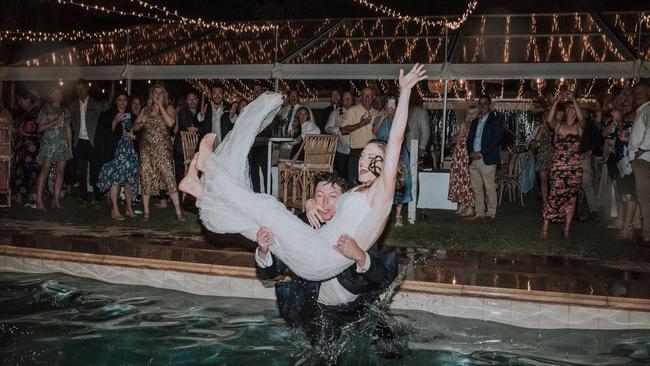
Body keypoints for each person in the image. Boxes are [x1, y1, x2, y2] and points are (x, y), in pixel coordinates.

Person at [179, 64, 427, 281]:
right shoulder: (361, 192)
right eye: (363, 156)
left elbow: (395, 140)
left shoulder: (381, 194)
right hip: (315, 251)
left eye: (372, 158)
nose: (363, 162)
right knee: (258, 225)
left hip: (320, 256)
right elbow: (339, 215)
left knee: (269, 208)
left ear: (387, 167)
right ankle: (199, 191)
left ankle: (208, 165)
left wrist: (405, 91)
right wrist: (311, 202)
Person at [256, 172, 398, 363]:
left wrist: (359, 255)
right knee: (327, 359)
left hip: (362, 305)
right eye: (319, 195)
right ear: (312, 198)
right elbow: (272, 271)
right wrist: (264, 251)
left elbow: (381, 277)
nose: (325, 203)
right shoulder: (302, 225)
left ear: (344, 201)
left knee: (392, 353)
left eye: (333, 197)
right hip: (323, 311)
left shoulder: (357, 226)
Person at [133, 84, 184, 222]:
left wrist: (160, 106)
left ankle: (178, 212)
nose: (158, 95)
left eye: (161, 93)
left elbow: (171, 123)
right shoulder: (145, 109)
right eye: (156, 92)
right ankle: (146, 212)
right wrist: (141, 122)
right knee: (146, 177)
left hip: (163, 150)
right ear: (152, 94)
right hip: (146, 150)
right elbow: (135, 127)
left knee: (169, 177)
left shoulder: (169, 108)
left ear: (164, 95)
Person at [542, 91, 585, 240]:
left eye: (572, 108)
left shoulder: (580, 127)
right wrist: (555, 101)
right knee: (554, 196)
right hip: (558, 168)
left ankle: (566, 230)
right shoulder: (558, 126)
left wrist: (574, 99)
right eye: (567, 108)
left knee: (571, 198)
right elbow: (549, 120)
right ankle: (545, 229)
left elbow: (581, 118)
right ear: (565, 112)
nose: (570, 110)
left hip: (574, 170)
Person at [97, 92, 139, 221]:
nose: (122, 103)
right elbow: (102, 136)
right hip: (114, 152)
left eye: (125, 100)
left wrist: (134, 136)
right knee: (115, 179)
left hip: (129, 152)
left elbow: (140, 136)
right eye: (119, 100)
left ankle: (128, 207)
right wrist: (115, 121)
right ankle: (115, 209)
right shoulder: (107, 115)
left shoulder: (132, 116)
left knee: (128, 181)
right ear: (115, 101)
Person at [372, 94, 412, 226]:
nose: (391, 105)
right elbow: (374, 131)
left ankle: (399, 215)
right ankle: (385, 214)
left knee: (400, 182)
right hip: (384, 152)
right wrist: (383, 117)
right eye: (389, 102)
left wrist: (395, 115)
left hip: (399, 153)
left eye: (393, 103)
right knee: (384, 183)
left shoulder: (400, 117)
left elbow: (405, 130)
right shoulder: (378, 116)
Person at [466, 94, 503, 223]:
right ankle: (479, 213)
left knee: (489, 187)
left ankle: (491, 214)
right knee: (476, 188)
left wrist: (481, 153)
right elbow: (470, 139)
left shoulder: (495, 120)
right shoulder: (475, 121)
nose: (482, 106)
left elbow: (496, 140)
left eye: (485, 103)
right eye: (480, 103)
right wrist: (471, 152)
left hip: (486, 158)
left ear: (489, 105)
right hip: (473, 158)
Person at [34, 88, 72, 210]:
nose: (57, 96)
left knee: (61, 171)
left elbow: (68, 130)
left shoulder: (65, 110)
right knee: (45, 169)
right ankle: (39, 201)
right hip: (49, 143)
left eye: (59, 94)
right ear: (51, 95)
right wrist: (55, 121)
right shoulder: (46, 108)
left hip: (62, 144)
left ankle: (55, 200)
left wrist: (70, 146)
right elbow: (39, 128)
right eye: (54, 94)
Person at [70, 79, 103, 205]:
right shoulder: (72, 105)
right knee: (81, 171)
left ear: (87, 88)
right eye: (77, 89)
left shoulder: (96, 104)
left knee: (95, 171)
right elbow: (70, 122)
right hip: (79, 142)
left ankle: (97, 197)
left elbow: (102, 121)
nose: (80, 91)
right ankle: (83, 197)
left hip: (93, 142)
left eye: (82, 88)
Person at [341, 87, 379, 185]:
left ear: (373, 97)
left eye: (369, 95)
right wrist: (361, 124)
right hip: (356, 153)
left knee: (372, 183)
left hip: (373, 154)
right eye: (364, 95)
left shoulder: (378, 113)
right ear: (361, 97)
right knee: (354, 184)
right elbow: (343, 130)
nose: (367, 97)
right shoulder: (352, 111)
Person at [628, 82, 650, 244]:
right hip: (641, 158)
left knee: (644, 198)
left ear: (647, 93)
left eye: (638, 93)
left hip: (644, 160)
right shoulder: (641, 111)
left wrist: (641, 150)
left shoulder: (647, 109)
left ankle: (647, 234)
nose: (635, 96)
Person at [12, 91, 41, 205]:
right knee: (21, 171)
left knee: (32, 171)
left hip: (32, 149)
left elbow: (28, 131)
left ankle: (32, 197)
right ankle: (20, 195)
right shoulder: (24, 113)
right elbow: (18, 127)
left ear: (29, 99)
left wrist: (14, 128)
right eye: (18, 100)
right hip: (23, 149)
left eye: (21, 100)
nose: (19, 103)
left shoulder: (35, 113)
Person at [448, 106, 477, 217]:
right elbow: (455, 140)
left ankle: (470, 206)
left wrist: (464, 129)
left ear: (478, 114)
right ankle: (463, 203)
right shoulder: (465, 124)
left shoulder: (477, 125)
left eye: (473, 113)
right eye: (469, 113)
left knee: (468, 181)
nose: (470, 116)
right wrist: (461, 130)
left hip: (467, 156)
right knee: (459, 180)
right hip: (459, 156)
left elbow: (472, 140)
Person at [325, 91, 354, 181]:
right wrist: (338, 130)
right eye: (345, 98)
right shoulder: (335, 113)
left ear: (353, 100)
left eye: (349, 98)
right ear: (342, 100)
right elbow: (327, 128)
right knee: (342, 176)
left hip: (355, 151)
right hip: (341, 150)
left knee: (353, 176)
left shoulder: (358, 112)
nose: (348, 100)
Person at [173, 92, 200, 182]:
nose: (192, 101)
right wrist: (196, 129)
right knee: (181, 175)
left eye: (194, 99)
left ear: (198, 100)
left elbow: (203, 128)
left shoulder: (201, 113)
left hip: (196, 149)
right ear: (186, 101)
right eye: (189, 99)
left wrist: (197, 129)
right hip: (181, 148)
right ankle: (180, 194)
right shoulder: (183, 112)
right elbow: (188, 128)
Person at [405, 93, 430, 159]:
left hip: (413, 148)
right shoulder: (399, 112)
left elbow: (426, 131)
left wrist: (421, 147)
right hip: (400, 148)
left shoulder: (421, 112)